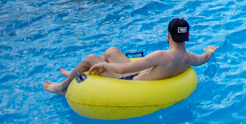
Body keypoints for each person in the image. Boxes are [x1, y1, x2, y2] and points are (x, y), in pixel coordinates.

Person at [44, 18, 217, 95]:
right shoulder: (190, 58)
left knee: (91, 58)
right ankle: (76, 72)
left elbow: (122, 69)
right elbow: (204, 59)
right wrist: (209, 51)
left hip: (130, 82)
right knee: (112, 51)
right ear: (187, 37)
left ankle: (62, 87)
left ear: (168, 36)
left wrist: (104, 66)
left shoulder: (160, 55)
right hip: (138, 75)